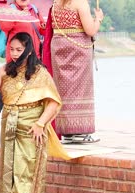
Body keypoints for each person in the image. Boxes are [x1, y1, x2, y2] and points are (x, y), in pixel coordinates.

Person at [0, 32, 70, 193]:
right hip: (9, 126)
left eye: (18, 50)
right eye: (11, 49)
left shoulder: (40, 72)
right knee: (12, 176)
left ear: (29, 50)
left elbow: (53, 101)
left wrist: (41, 123)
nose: (14, 54)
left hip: (32, 129)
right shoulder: (4, 70)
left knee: (29, 176)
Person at [42, 0, 104, 143]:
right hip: (78, 48)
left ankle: (66, 132)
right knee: (80, 88)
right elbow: (90, 30)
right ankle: (79, 131)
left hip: (59, 46)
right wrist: (98, 19)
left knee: (62, 89)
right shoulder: (80, 3)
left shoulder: (56, 3)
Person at [0, 0, 46, 127]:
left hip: (33, 55)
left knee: (30, 84)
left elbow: (41, 30)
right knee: (10, 84)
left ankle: (31, 114)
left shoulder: (34, 10)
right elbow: (5, 27)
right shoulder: (11, 9)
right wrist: (18, 16)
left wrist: (44, 26)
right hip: (16, 56)